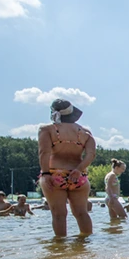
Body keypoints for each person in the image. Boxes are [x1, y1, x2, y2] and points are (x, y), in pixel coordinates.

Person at [38, 99, 95, 237]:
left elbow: (44, 153)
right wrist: (79, 169)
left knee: (59, 214)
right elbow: (91, 155)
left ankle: (60, 249)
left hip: (54, 174)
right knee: (82, 213)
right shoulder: (85, 132)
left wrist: (45, 174)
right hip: (78, 176)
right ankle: (86, 244)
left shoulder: (47, 130)